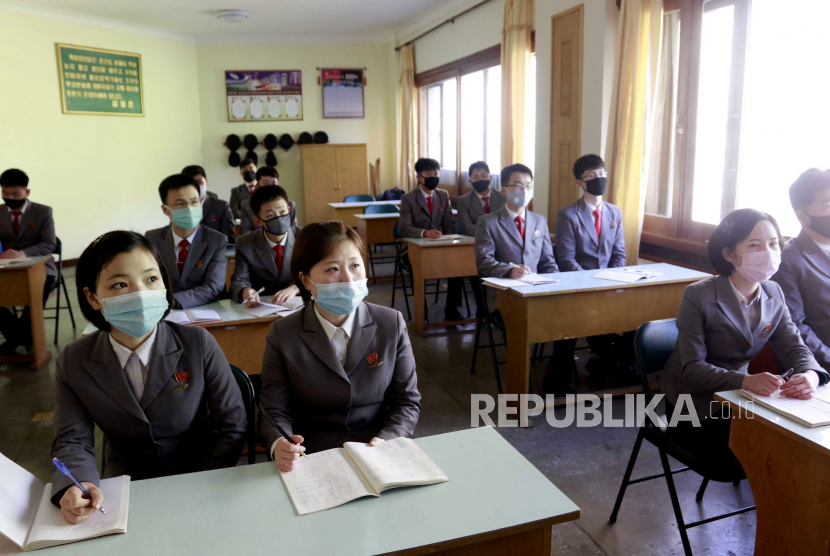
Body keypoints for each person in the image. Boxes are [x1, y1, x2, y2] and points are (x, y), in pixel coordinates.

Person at [51, 231, 246, 523]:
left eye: (151, 279)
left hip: (199, 478)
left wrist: (208, 479)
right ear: (92, 297)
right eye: (120, 284)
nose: (140, 293)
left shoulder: (198, 343)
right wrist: (79, 483)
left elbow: (231, 423)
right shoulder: (74, 360)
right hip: (121, 490)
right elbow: (73, 439)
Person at [662, 209, 828, 471]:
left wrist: (812, 375)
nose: (769, 252)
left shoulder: (774, 292)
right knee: (767, 451)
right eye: (754, 245)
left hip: (741, 397)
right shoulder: (698, 295)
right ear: (729, 254)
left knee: (794, 445)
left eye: (773, 244)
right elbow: (692, 368)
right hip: (692, 403)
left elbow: (795, 346)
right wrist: (747, 380)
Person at [259, 221, 421, 471]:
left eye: (355, 266)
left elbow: (406, 400)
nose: (348, 278)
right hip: (311, 454)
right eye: (333, 268)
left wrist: (390, 438)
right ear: (305, 280)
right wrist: (279, 442)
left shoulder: (391, 323)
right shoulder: (284, 333)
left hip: (376, 448)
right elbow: (273, 410)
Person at [549, 154, 629, 394]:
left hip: (610, 285)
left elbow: (619, 253)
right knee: (573, 326)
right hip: (578, 285)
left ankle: (616, 366)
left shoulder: (615, 212)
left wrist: (611, 280)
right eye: (592, 176)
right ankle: (559, 379)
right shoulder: (568, 214)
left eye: (602, 174)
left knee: (636, 321)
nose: (599, 179)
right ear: (580, 182)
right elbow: (566, 259)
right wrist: (591, 283)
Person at [475, 163, 559, 320]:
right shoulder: (488, 222)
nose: (525, 191)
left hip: (536, 291)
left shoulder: (540, 221)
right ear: (504, 189)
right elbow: (483, 262)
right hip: (505, 294)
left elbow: (548, 261)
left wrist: (557, 284)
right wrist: (509, 270)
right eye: (519, 186)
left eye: (528, 186)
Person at [772, 168, 830, 374]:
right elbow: (794, 328)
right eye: (828, 204)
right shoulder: (787, 259)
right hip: (819, 368)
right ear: (803, 216)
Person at [145, 174, 227, 309]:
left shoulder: (216, 240)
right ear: (165, 209)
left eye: (194, 201)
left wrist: (172, 301)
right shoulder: (152, 239)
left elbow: (214, 286)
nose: (189, 208)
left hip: (204, 310)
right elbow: (148, 280)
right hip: (161, 311)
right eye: (180, 204)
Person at [398, 158, 464, 321]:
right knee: (416, 266)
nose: (434, 177)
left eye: (436, 173)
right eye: (429, 174)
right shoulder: (408, 198)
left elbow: (448, 224)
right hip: (414, 247)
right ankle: (423, 311)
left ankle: (452, 309)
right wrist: (424, 233)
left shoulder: (443, 195)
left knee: (458, 265)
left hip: (439, 246)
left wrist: (451, 244)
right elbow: (404, 228)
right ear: (419, 177)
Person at [0, 169, 57, 356]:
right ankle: (20, 337)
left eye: (15, 194)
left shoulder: (42, 212)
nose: (10, 198)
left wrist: (21, 252)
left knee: (37, 292)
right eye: (5, 194)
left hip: (39, 266)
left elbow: (49, 244)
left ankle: (15, 340)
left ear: (27, 192)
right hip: (6, 268)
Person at [230, 185, 300, 305]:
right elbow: (239, 281)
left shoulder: (305, 237)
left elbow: (317, 276)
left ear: (289, 210)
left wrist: (295, 288)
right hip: (263, 305)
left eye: (282, 212)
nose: (279, 218)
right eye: (270, 216)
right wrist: (245, 291)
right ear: (258, 221)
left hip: (298, 302)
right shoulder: (245, 243)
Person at [181, 164, 235, 244]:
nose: (196, 186)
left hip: (214, 252)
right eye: (191, 184)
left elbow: (228, 238)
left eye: (199, 182)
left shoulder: (221, 206)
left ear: (206, 181)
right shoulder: (179, 208)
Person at [239, 167, 298, 236]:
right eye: (266, 183)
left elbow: (293, 229)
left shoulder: (290, 204)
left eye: (273, 183)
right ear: (257, 185)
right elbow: (245, 231)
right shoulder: (246, 205)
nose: (270, 187)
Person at [456, 161, 505, 236]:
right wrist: (488, 233)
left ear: (490, 178)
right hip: (477, 239)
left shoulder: (503, 197)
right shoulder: (464, 201)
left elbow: (508, 221)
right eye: (476, 177)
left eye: (483, 176)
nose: (480, 179)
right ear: (470, 181)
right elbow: (466, 226)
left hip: (502, 237)